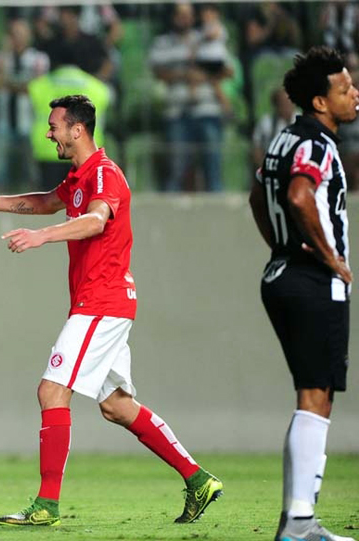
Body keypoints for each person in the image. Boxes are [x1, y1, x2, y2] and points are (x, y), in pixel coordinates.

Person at [0, 94, 223, 528]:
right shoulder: (79, 177)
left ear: (77, 129)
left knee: (51, 391)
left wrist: (42, 237)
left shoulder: (105, 174)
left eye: (54, 125)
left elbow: (96, 221)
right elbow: (46, 201)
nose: (48, 133)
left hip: (101, 302)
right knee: (116, 405)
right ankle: (197, 478)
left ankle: (46, 505)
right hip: (101, 303)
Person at [248, 46, 358, 541]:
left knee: (309, 396)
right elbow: (297, 195)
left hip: (280, 276)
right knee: (317, 397)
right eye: (344, 89)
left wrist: (280, 245)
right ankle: (299, 523)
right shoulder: (318, 143)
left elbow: (258, 196)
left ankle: (295, 518)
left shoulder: (283, 138)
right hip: (314, 282)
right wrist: (327, 256)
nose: (354, 95)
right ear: (320, 101)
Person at [149, 2, 234, 192]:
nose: (185, 18)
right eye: (180, 14)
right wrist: (184, 75)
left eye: (188, 14)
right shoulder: (162, 43)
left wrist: (204, 76)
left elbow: (228, 70)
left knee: (212, 167)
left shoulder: (207, 39)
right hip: (177, 111)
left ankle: (217, 211)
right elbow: (157, 71)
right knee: (176, 168)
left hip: (207, 109)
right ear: (172, 17)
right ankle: (170, 215)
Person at [0, 17, 50, 189]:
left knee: (32, 167)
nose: (17, 38)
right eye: (14, 34)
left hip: (30, 120)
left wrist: (9, 84)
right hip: (4, 120)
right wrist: (5, 53)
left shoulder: (39, 59)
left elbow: (35, 89)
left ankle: (36, 198)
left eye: (21, 34)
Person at [251, 87, 297, 171]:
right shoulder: (266, 123)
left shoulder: (303, 122)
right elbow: (256, 149)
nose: (286, 106)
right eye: (282, 103)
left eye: (289, 102)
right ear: (276, 105)